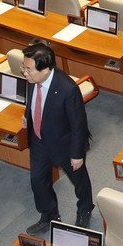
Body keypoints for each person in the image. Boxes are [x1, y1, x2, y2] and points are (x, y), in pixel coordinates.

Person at [20, 41, 94, 235]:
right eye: (24, 68)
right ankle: (49, 215)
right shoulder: (32, 80)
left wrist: (77, 154)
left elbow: (79, 124)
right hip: (39, 140)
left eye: (28, 70)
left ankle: (85, 208)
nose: (24, 73)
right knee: (38, 181)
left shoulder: (67, 88)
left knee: (79, 181)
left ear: (46, 69)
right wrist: (28, 115)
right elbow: (34, 101)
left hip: (64, 145)